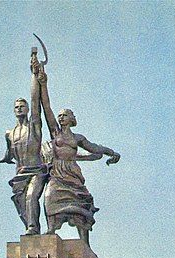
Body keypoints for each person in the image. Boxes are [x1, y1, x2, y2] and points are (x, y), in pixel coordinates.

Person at [36, 64, 120, 247]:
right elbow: (46, 108)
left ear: (72, 119)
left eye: (64, 115)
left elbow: (94, 148)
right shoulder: (55, 133)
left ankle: (84, 242)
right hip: (57, 173)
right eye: (59, 116)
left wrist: (111, 152)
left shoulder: (78, 138)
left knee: (80, 205)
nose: (60, 118)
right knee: (49, 197)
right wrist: (43, 84)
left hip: (72, 173)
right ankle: (50, 229)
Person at [0, 52, 49, 235]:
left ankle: (33, 228)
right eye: (16, 106)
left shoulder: (34, 126)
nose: (19, 108)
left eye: (23, 105)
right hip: (20, 174)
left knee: (31, 198)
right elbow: (9, 153)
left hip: (37, 170)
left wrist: (35, 74)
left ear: (27, 109)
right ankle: (29, 225)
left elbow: (36, 101)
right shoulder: (10, 133)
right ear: (14, 111)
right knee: (21, 204)